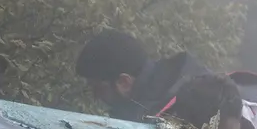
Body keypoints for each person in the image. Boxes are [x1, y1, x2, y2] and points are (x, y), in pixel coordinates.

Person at [75, 29, 212, 122]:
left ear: (124, 82)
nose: (96, 97)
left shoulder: (180, 116)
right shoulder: (148, 104)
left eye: (99, 89)